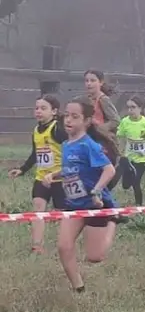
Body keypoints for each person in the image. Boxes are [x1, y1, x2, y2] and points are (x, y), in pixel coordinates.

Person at [48, 97, 121, 293]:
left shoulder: (89, 145)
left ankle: (114, 219)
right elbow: (71, 170)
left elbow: (109, 170)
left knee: (95, 257)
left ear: (87, 121)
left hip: (95, 204)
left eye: (75, 116)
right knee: (64, 246)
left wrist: (96, 191)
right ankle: (78, 288)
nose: (68, 120)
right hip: (73, 204)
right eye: (66, 116)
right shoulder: (66, 144)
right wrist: (53, 175)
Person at [8, 95, 68, 253]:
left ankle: (65, 245)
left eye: (43, 108)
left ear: (54, 111)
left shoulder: (58, 129)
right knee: (38, 208)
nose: (38, 111)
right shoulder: (36, 130)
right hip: (41, 178)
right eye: (36, 108)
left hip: (59, 179)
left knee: (62, 214)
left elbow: (71, 151)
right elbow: (35, 153)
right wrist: (22, 169)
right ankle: (37, 246)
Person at [117, 96, 145, 205]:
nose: (130, 110)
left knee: (135, 183)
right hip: (129, 157)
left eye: (133, 107)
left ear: (140, 108)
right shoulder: (125, 122)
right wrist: (121, 151)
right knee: (126, 185)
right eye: (128, 108)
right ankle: (138, 168)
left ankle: (139, 207)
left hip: (142, 158)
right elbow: (120, 136)